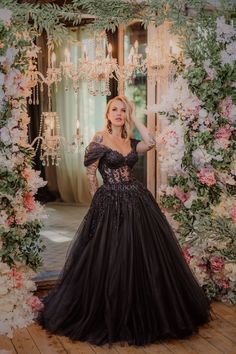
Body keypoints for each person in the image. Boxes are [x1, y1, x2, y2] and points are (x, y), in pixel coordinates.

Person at [38, 95, 212, 346]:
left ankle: (145, 308)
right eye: (114, 110)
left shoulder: (130, 140)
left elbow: (151, 143)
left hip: (138, 200)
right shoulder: (99, 138)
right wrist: (96, 201)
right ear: (107, 114)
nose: (119, 113)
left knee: (143, 254)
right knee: (111, 254)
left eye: (123, 110)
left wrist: (135, 117)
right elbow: (90, 175)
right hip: (109, 201)